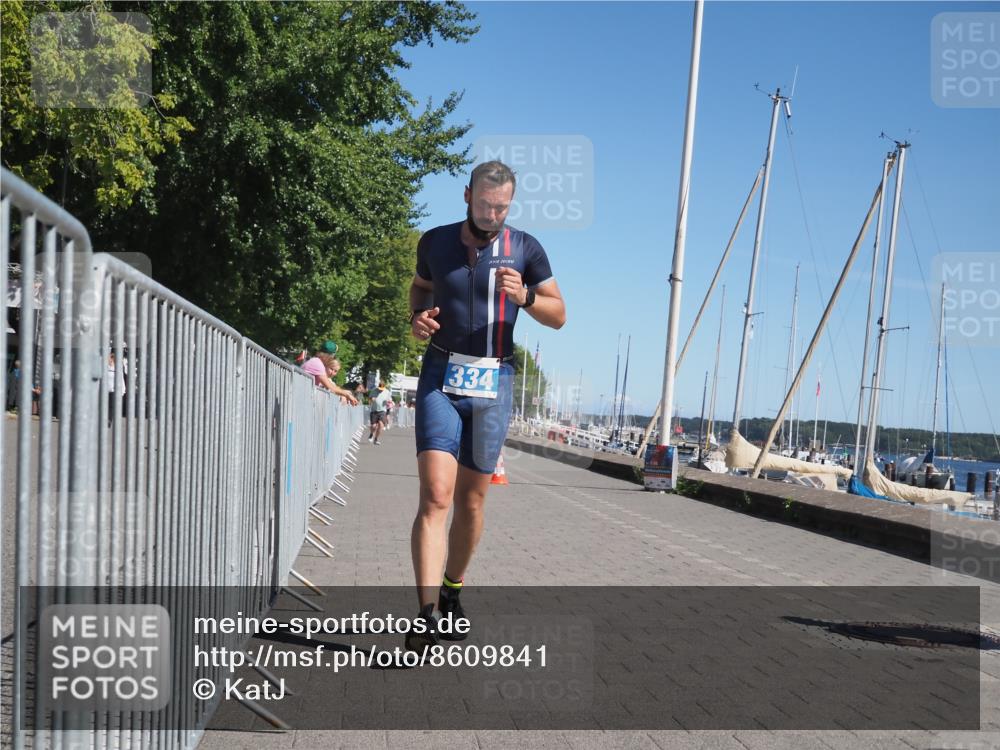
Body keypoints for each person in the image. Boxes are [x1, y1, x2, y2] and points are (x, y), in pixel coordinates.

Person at [405, 160, 565, 652]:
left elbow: (559, 315)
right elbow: (421, 287)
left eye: (502, 207)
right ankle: (426, 616)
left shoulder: (526, 249)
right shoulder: (435, 242)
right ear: (467, 195)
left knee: (471, 501)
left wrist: (526, 297)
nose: (493, 215)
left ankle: (452, 589)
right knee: (436, 495)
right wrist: (417, 317)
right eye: (485, 205)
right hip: (440, 374)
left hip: (494, 379)